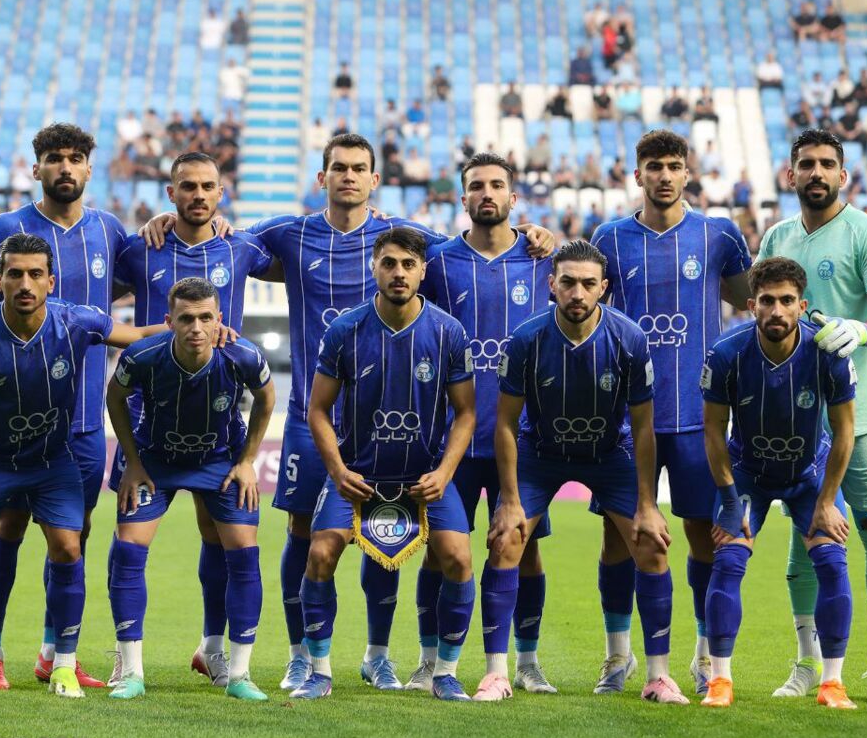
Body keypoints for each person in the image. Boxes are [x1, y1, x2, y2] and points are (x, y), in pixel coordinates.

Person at [139, 134, 555, 690]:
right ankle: (300, 656)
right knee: (304, 532)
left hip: (382, 425)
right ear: (323, 178)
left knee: (386, 532)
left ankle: (378, 654)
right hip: (310, 416)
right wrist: (173, 220)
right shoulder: (289, 233)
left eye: (360, 168)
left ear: (374, 180)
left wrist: (530, 233)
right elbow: (221, 237)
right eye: (339, 168)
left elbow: (476, 242)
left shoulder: (403, 238)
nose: (349, 177)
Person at [0, 233, 162, 698]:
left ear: (51, 282)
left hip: (52, 460)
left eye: (35, 274)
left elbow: (135, 336)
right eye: (14, 274)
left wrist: (196, 328)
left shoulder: (75, 321)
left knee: (69, 548)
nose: (25, 283)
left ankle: (63, 666)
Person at [0, 123, 130, 689]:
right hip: (12, 422)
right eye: (55, 158)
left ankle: (55, 653)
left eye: (76, 158)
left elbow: (138, 288)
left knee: (72, 537)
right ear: (37, 168)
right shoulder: (9, 228)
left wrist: (170, 226)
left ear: (89, 169)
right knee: (5, 527)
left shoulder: (109, 230)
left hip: (83, 421)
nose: (65, 167)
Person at [490, 240, 688, 704]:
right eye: (568, 282)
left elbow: (644, 427)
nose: (577, 292)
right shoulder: (527, 339)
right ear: (551, 285)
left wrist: (648, 503)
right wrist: (510, 500)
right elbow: (505, 423)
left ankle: (657, 676)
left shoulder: (628, 338)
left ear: (604, 288)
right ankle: (500, 673)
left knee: (650, 543)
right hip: (542, 453)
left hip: (609, 453)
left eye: (587, 283)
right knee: (505, 539)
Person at [590, 130, 751, 697]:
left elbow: (748, 300)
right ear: (637, 174)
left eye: (673, 165)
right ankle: (618, 654)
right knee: (620, 538)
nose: (664, 175)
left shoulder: (718, 235)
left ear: (688, 173)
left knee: (703, 536)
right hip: (626, 419)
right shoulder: (609, 238)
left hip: (696, 418)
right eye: (654, 166)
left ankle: (705, 656)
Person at [111, 152, 276, 686]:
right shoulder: (141, 248)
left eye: (208, 186)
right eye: (188, 186)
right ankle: (126, 661)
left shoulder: (240, 246)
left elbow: (303, 260)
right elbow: (88, 291)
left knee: (221, 540)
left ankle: (213, 649)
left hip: (218, 427)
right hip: (150, 424)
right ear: (171, 193)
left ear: (221, 193)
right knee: (129, 543)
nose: (198, 195)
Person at [294, 226, 478, 701]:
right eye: (389, 263)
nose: (399, 273)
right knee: (320, 553)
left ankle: (444, 673)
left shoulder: (448, 332)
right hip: (359, 475)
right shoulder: (345, 330)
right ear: (373, 267)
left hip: (423, 477)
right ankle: (319, 672)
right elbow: (317, 409)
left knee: (459, 558)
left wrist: (444, 473)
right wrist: (338, 472)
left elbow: (466, 413)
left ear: (422, 271)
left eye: (408, 265)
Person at [757, 129, 867, 705]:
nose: (816, 173)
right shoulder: (778, 236)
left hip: (863, 415)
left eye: (826, 164)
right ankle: (807, 662)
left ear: (843, 175)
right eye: (806, 164)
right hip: (801, 422)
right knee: (807, 536)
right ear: (790, 174)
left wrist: (861, 330)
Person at [414, 153, 558, 696]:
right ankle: (430, 660)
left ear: (514, 198)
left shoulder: (542, 258)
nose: (487, 193)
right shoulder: (438, 261)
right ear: (463, 198)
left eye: (498, 184)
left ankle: (527, 661)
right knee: (440, 549)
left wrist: (547, 236)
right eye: (477, 186)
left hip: (520, 438)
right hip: (449, 436)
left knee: (524, 546)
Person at [699, 257, 858, 709]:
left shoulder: (828, 353)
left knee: (832, 562)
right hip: (748, 472)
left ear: (802, 306)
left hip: (809, 475)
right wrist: (729, 498)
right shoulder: (726, 353)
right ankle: (720, 681)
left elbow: (845, 431)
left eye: (787, 300)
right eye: (767, 301)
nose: (777, 310)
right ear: (752, 305)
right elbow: (713, 430)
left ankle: (832, 684)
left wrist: (827, 499)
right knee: (728, 561)